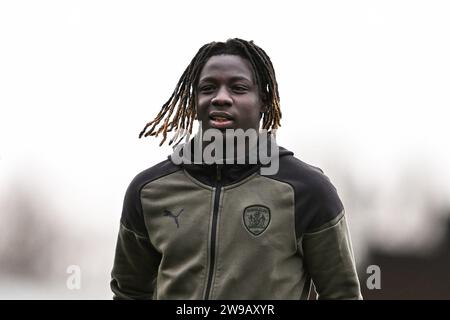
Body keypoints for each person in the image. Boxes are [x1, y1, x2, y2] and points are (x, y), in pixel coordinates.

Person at [110, 38, 362, 300]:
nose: (220, 98)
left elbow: (341, 294)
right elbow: (129, 293)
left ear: (263, 101)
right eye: (208, 88)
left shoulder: (308, 191)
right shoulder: (148, 191)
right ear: (194, 101)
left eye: (238, 88)